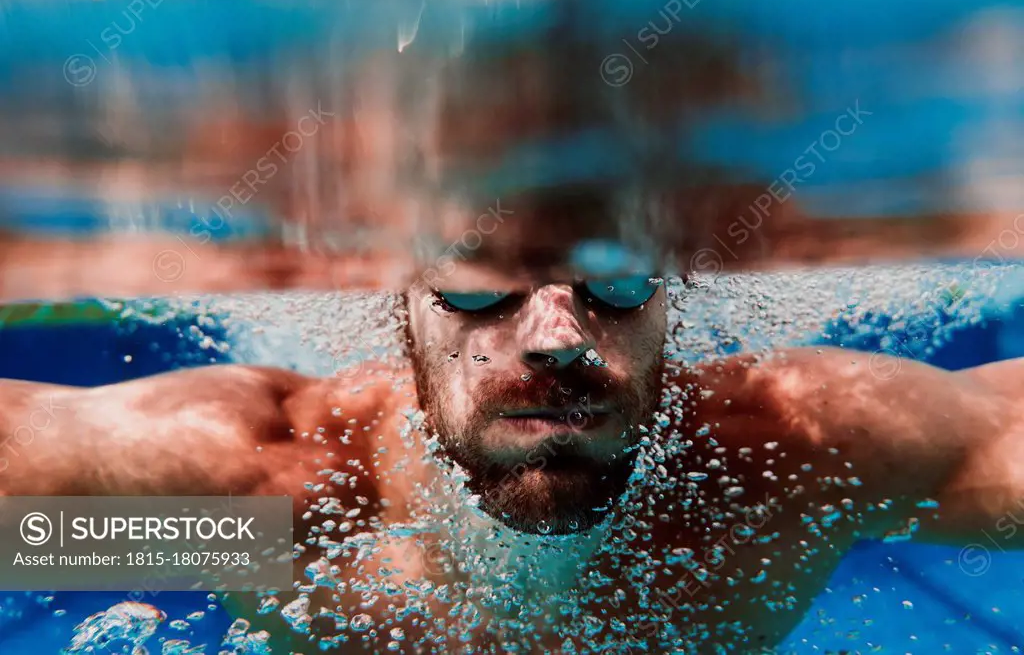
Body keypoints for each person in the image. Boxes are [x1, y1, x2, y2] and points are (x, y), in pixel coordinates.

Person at [1, 211, 1022, 654]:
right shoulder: (277, 509)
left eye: (615, 278)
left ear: (676, 296)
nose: (556, 336)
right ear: (394, 303)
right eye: (475, 277)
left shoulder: (791, 463)